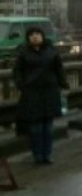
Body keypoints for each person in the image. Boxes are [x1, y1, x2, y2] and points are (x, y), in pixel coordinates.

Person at [12, 27, 69, 164]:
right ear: (28, 38)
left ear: (42, 36)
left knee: (48, 127)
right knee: (35, 127)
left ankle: (47, 154)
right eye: (32, 35)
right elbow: (17, 71)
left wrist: (63, 83)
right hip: (31, 92)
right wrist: (21, 84)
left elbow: (58, 69)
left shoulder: (51, 51)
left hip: (49, 91)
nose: (35, 37)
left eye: (37, 34)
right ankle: (37, 154)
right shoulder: (23, 52)